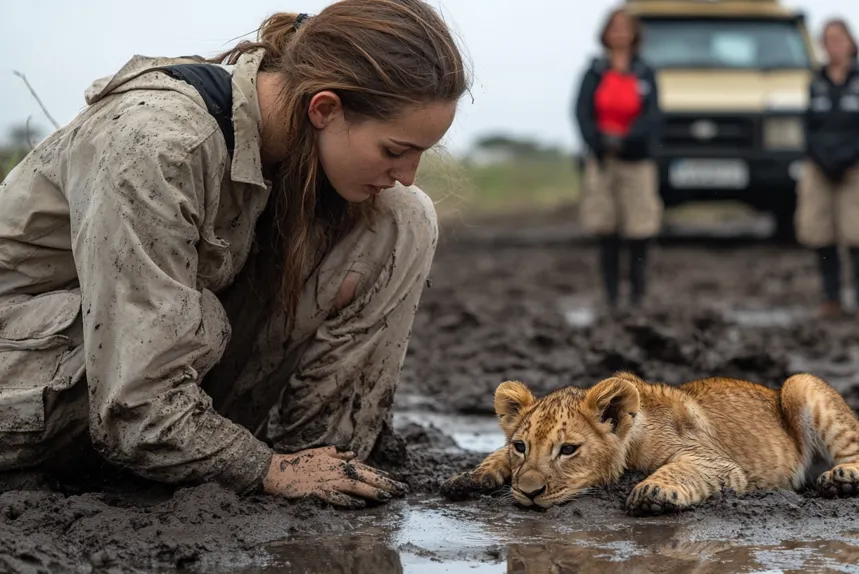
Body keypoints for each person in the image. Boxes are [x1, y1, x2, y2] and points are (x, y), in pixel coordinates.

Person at [0, 0, 468, 509]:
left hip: (147, 372)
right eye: (394, 151)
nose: (407, 171)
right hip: (43, 374)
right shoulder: (158, 145)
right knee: (198, 321)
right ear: (325, 109)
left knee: (403, 216)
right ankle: (242, 462)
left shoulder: (289, 147)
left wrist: (292, 465)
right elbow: (135, 402)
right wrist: (260, 468)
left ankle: (327, 463)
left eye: (422, 153)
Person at [574, 6, 663, 312]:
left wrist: (628, 140)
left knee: (640, 228)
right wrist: (598, 141)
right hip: (603, 160)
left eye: (626, 28)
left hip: (636, 160)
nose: (620, 33)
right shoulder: (594, 71)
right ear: (606, 33)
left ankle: (638, 295)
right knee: (606, 229)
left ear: (635, 34)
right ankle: (612, 297)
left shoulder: (646, 72)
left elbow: (653, 116)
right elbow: (582, 112)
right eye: (615, 27)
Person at [796, 17, 859, 323]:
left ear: (851, 43)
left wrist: (847, 157)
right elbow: (807, 127)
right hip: (819, 168)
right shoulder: (816, 82)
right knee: (821, 233)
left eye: (839, 39)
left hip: (856, 168)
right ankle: (830, 299)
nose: (834, 45)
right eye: (828, 40)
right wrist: (821, 157)